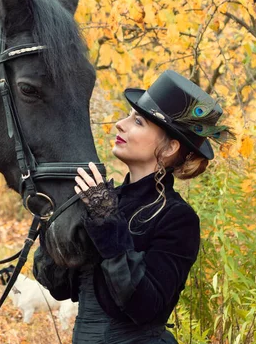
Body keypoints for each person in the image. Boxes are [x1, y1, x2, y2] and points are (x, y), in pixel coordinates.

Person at [33, 69, 233, 344]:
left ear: (169, 148)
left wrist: (105, 217)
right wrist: (54, 217)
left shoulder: (178, 218)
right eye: (128, 116)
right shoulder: (102, 199)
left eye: (137, 121)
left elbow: (144, 305)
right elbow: (58, 287)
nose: (120, 124)